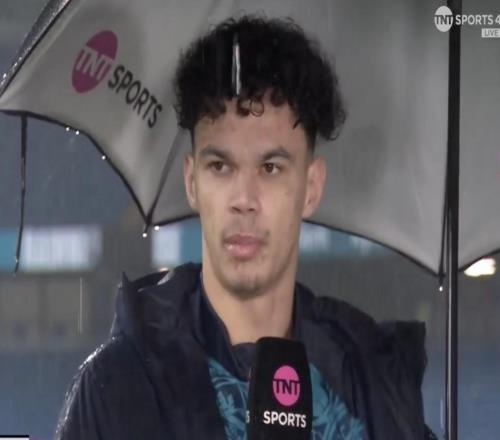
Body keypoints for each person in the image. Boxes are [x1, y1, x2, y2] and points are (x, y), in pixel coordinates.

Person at [55, 15, 434, 440]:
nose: (244, 199)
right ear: (192, 181)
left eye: (270, 168)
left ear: (311, 187)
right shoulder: (117, 389)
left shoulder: (376, 388)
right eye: (221, 166)